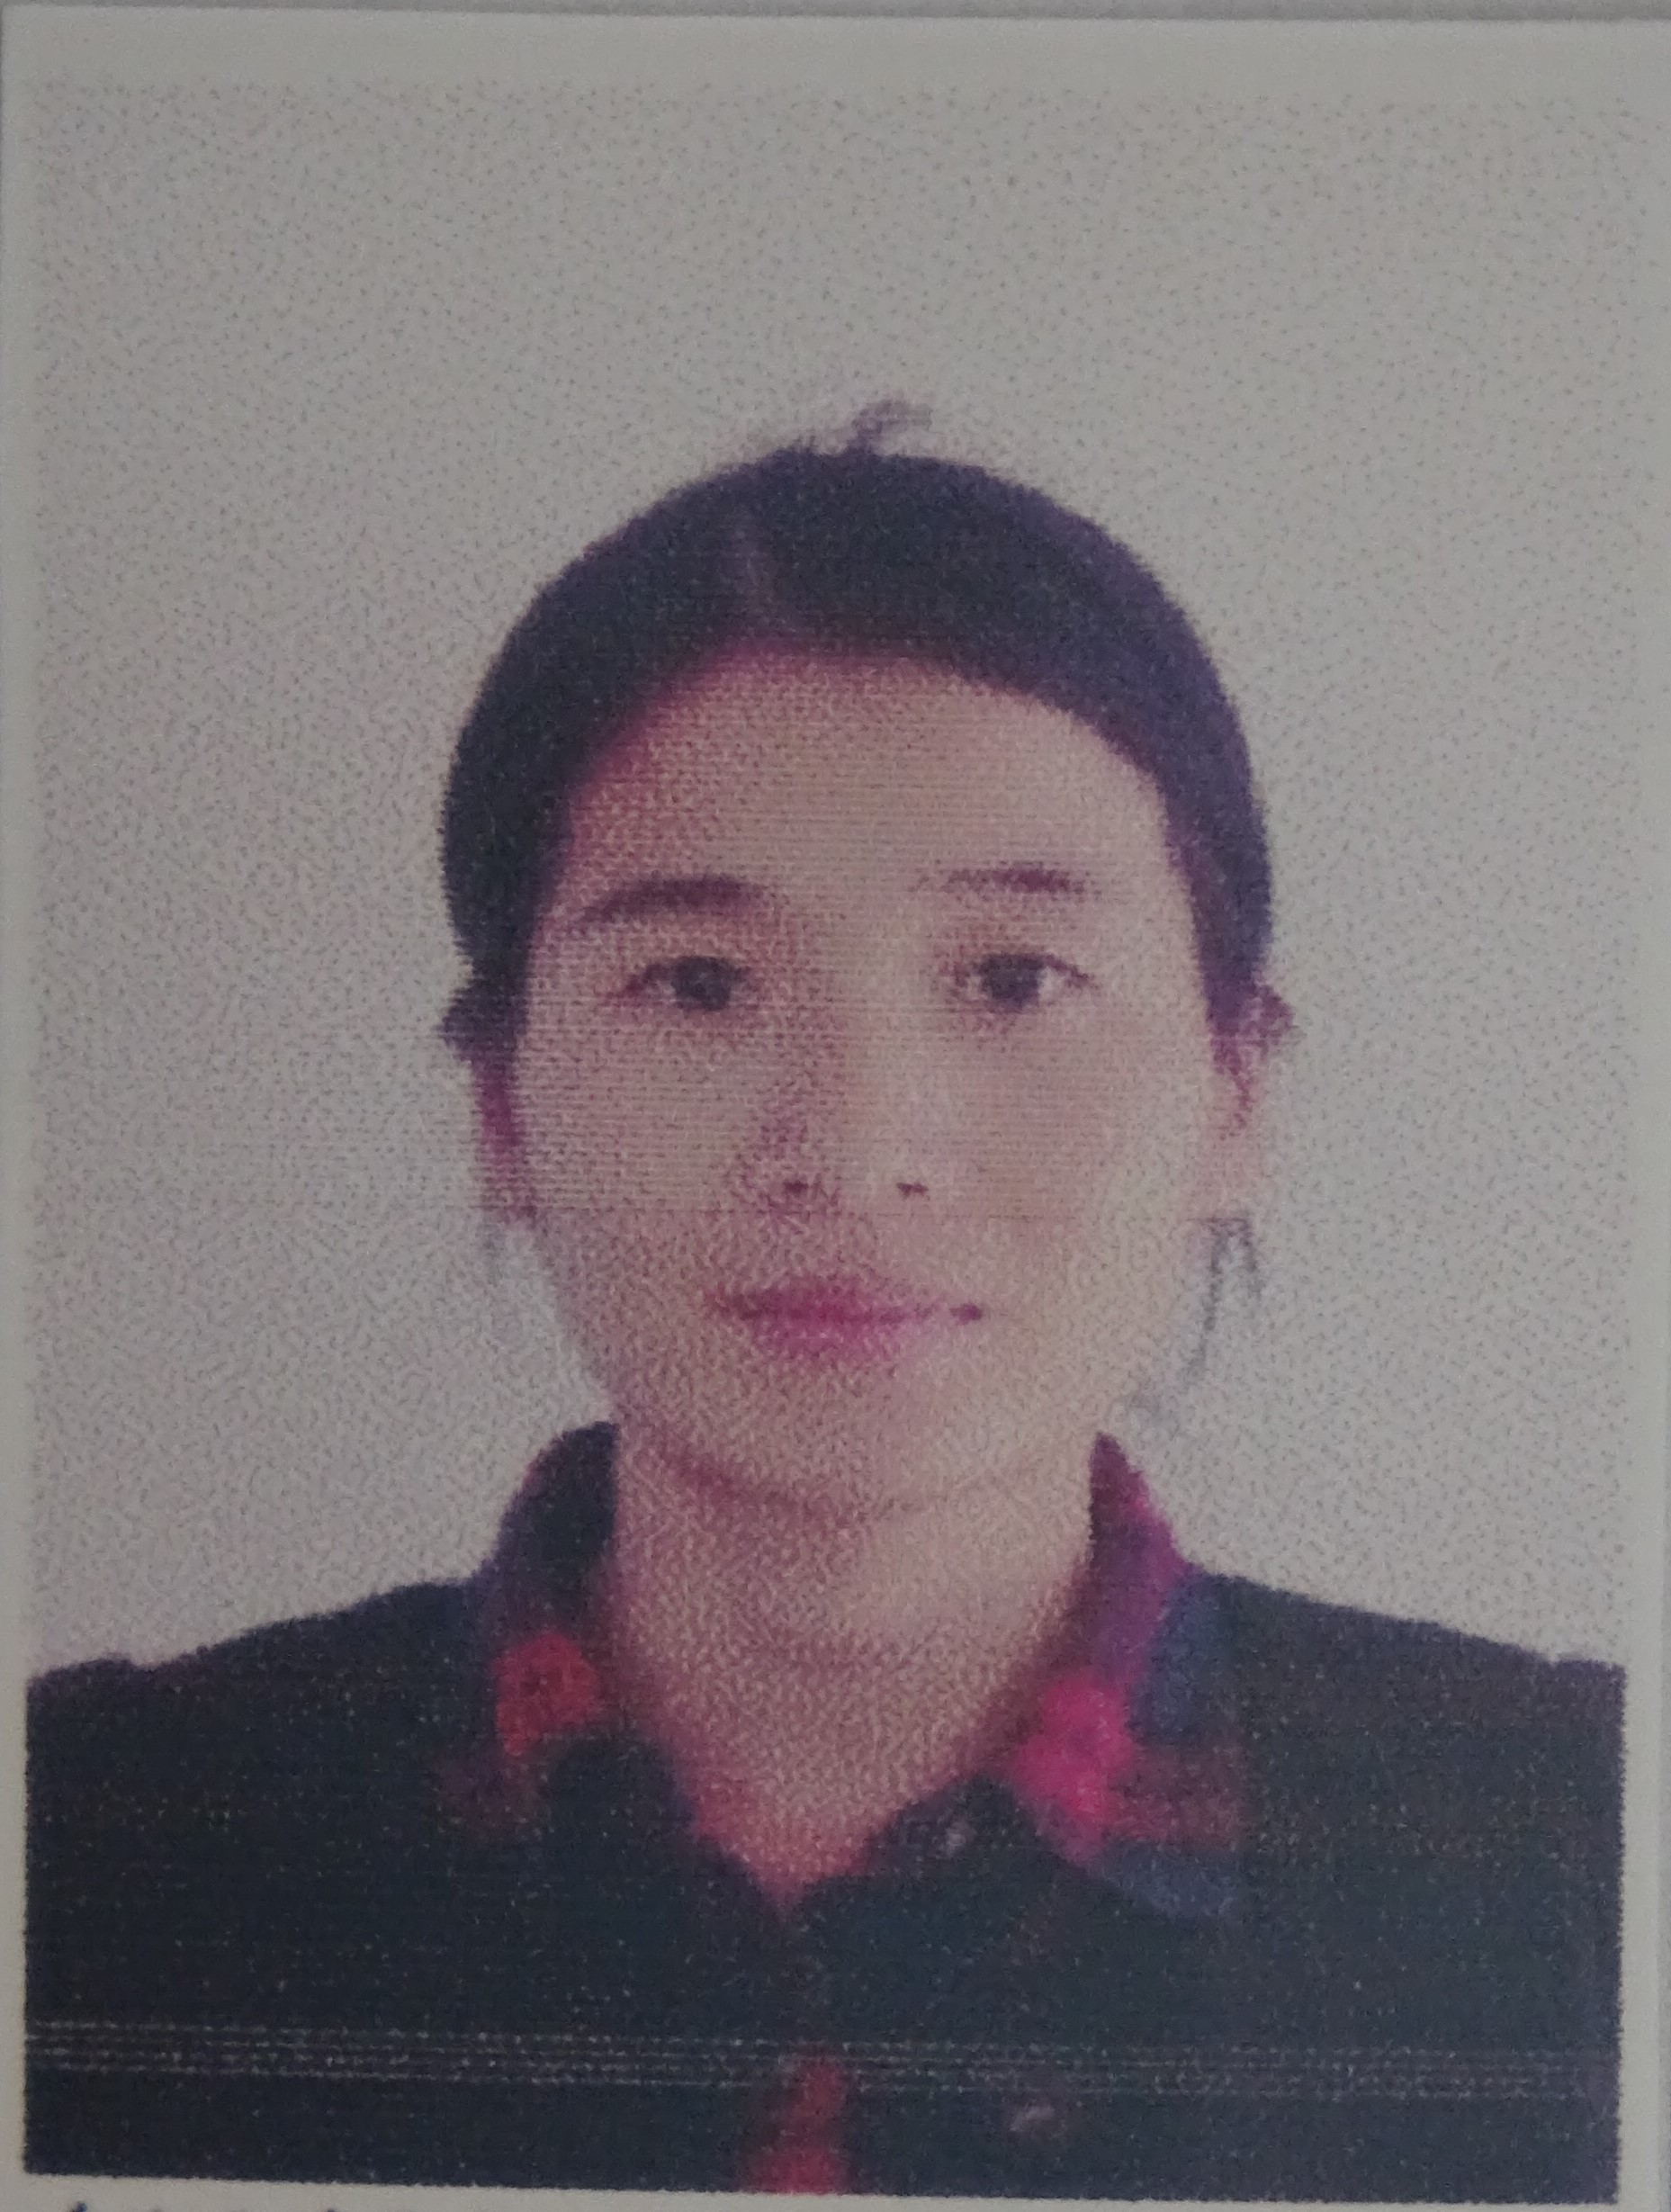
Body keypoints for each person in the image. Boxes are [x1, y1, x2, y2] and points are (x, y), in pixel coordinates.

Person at [26, 431, 1622, 2199]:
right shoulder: (97, 1845)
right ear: (500, 1110)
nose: (856, 1147)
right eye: (697, 982)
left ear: (1232, 1092)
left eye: (1013, 977)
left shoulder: (1581, 1849)